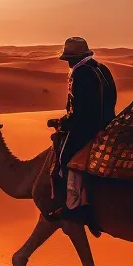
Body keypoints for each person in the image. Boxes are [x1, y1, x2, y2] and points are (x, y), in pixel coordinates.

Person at [49, 37, 117, 218]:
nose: (68, 63)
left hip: (87, 128)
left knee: (64, 160)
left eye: (69, 59)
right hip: (108, 125)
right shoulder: (102, 69)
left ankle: (72, 207)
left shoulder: (80, 74)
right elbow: (112, 99)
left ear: (74, 59)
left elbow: (80, 110)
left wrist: (63, 123)